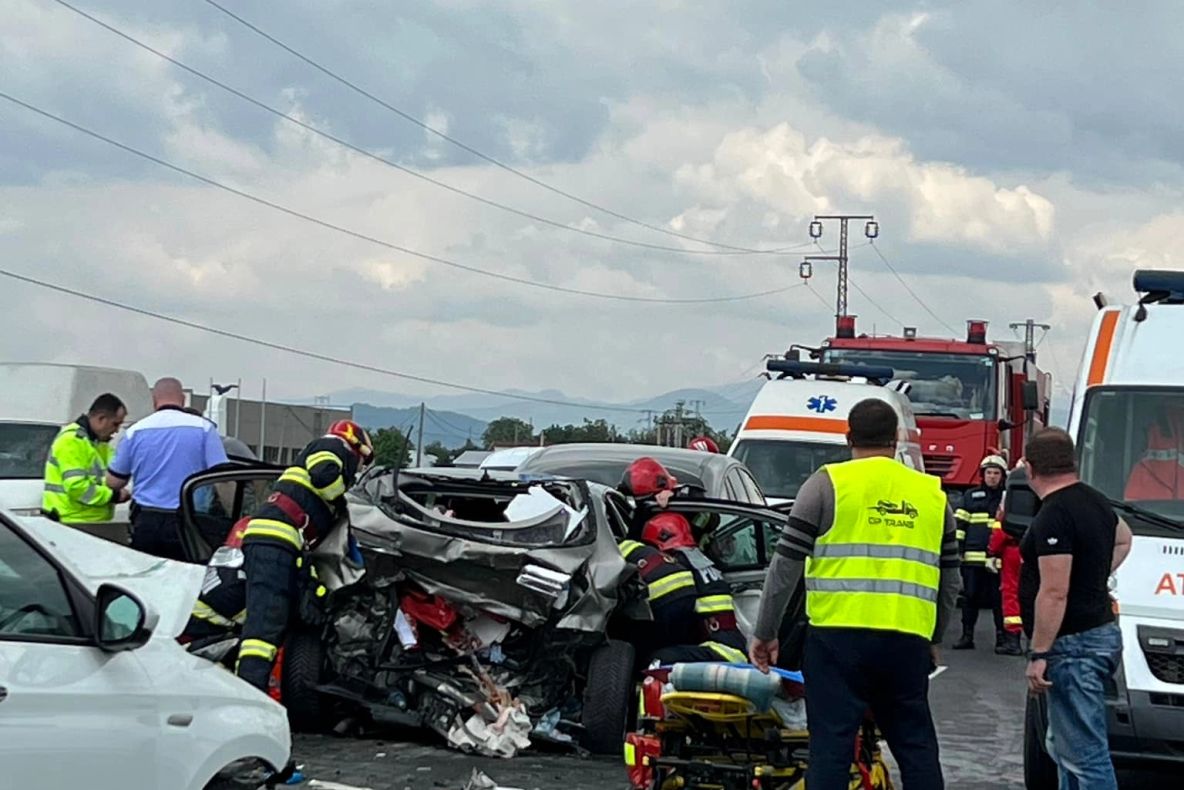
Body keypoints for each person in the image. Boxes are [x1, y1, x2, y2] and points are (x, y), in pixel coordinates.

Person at [748, 398, 959, 790]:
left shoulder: (825, 485)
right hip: (906, 640)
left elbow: (784, 568)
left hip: (835, 642)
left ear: (849, 438)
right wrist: (934, 637)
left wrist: (765, 632)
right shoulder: (932, 495)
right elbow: (951, 581)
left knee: (831, 748)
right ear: (896, 439)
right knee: (916, 748)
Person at [1021, 428, 1132, 790]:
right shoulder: (1096, 501)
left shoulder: (1054, 514)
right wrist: (1094, 575)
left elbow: (1054, 592)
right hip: (1099, 633)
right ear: (1072, 462)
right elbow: (1124, 539)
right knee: (1064, 747)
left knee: (1085, 756)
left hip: (1074, 644)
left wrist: (1039, 653)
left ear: (1030, 469)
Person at [233, 419, 374, 690]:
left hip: (281, 542)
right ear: (358, 447)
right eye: (361, 462)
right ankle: (248, 693)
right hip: (277, 538)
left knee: (279, 616)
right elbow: (324, 477)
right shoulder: (332, 446)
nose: (358, 469)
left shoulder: (329, 449)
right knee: (264, 626)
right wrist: (349, 499)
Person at [105, 378, 229, 560]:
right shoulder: (204, 428)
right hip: (190, 521)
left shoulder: (135, 431)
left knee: (145, 571)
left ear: (154, 400)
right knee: (187, 572)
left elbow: (114, 482)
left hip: (146, 521)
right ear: (183, 399)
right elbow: (222, 478)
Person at [618, 511, 748, 666]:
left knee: (654, 660)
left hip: (722, 652)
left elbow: (673, 607)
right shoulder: (698, 559)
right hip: (732, 645)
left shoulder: (678, 564)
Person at [42, 393, 131, 524]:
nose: (117, 430)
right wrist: (114, 496)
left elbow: (109, 476)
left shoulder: (95, 442)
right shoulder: (72, 441)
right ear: (101, 419)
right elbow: (77, 488)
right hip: (72, 521)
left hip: (85, 521)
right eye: (115, 424)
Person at [952, 454, 1007, 651]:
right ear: (983, 475)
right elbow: (960, 523)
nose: (992, 477)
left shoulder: (1007, 498)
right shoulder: (970, 496)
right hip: (973, 557)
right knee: (970, 597)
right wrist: (958, 549)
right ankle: (967, 636)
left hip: (997, 559)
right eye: (989, 473)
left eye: (996, 473)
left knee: (998, 600)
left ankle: (1002, 638)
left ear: (1002, 476)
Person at [989, 463, 1030, 656]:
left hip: (1012, 550)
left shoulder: (1010, 500)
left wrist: (992, 551)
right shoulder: (1045, 494)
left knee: (1011, 593)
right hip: (1035, 550)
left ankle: (1013, 641)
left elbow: (1000, 529)